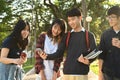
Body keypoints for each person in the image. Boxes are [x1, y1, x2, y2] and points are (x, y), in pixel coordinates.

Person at [40, 8, 96, 80]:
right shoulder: (66, 36)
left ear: (80, 18)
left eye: (73, 19)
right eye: (69, 20)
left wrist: (88, 60)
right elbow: (59, 53)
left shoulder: (89, 35)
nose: (71, 22)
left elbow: (94, 51)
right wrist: (47, 57)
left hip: (82, 74)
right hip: (67, 74)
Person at [98, 6, 120, 80]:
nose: (110, 20)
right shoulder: (105, 34)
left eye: (112, 17)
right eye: (108, 17)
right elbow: (101, 56)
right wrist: (100, 74)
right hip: (107, 74)